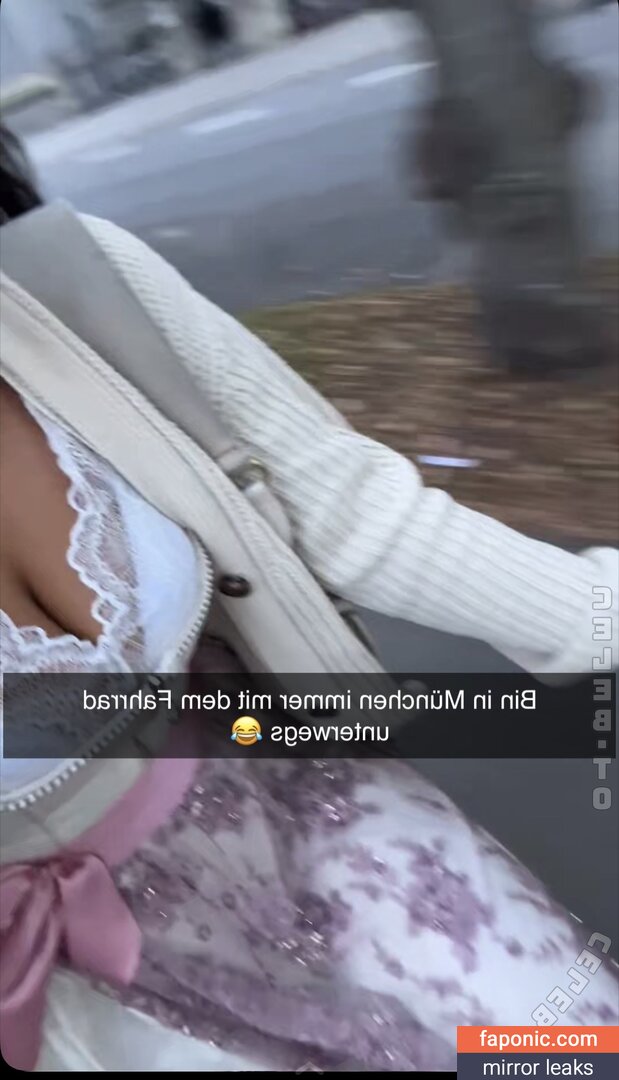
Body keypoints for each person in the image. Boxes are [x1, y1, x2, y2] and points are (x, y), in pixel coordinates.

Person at [0, 126, 618, 1072]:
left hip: (338, 824)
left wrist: (599, 616)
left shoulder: (68, 283)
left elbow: (351, 513)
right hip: (76, 993)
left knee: (571, 1048)